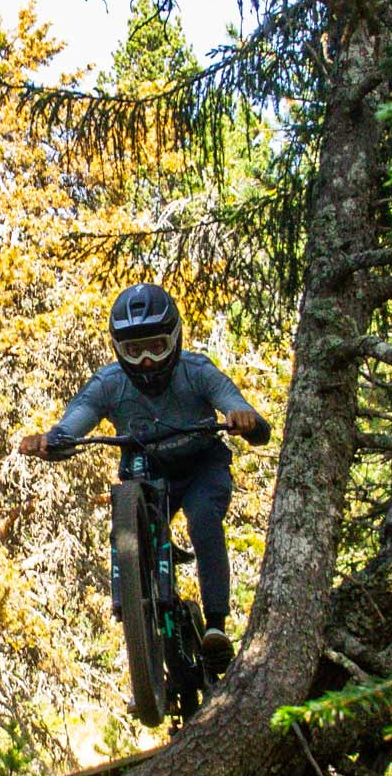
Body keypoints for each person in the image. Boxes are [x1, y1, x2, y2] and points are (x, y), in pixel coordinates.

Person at [18, 283, 270, 677]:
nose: (148, 362)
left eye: (155, 346)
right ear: (118, 350)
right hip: (148, 469)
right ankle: (134, 604)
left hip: (202, 464)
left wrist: (243, 417)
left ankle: (216, 626)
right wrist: (51, 441)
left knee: (203, 516)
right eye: (134, 351)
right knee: (129, 505)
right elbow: (76, 420)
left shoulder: (196, 370)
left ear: (175, 338)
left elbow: (233, 400)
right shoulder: (109, 383)